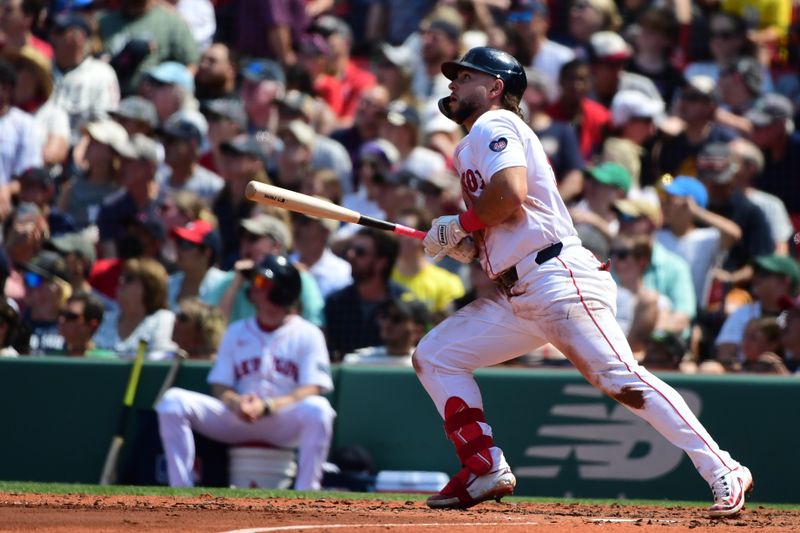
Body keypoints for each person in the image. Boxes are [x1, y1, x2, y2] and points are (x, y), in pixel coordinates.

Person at [415, 46, 752, 515]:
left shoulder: (496, 122)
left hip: (556, 277)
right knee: (436, 355)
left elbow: (509, 194)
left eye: (466, 76)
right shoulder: (473, 142)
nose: (453, 82)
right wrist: (463, 241)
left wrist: (462, 224)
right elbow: (505, 220)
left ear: (494, 88)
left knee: (619, 377)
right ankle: (483, 465)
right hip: (520, 289)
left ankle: (722, 467)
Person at [156, 255, 336, 490]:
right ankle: (181, 490)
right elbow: (220, 385)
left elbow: (313, 387)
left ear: (282, 291)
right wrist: (236, 402)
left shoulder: (308, 333)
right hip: (238, 417)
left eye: (262, 283)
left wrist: (269, 406)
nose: (254, 288)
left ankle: (306, 493)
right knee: (172, 402)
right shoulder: (237, 330)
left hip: (282, 419)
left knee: (319, 409)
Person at [324, 227, 404, 361]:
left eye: (360, 252)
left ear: (381, 263)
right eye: (350, 249)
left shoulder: (404, 305)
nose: (350, 255)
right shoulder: (336, 303)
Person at [93, 257, 176, 359]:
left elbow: (161, 361)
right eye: (120, 277)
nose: (121, 281)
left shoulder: (163, 319)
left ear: (149, 286)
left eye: (129, 278)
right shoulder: (106, 319)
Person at [342, 294, 429, 367]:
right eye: (385, 315)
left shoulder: (427, 367)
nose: (387, 323)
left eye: (397, 319)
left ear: (417, 330)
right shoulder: (356, 362)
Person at [52, 291, 116, 358]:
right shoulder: (51, 358)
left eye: (70, 316)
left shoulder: (108, 362)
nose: (61, 320)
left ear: (92, 325)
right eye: (61, 313)